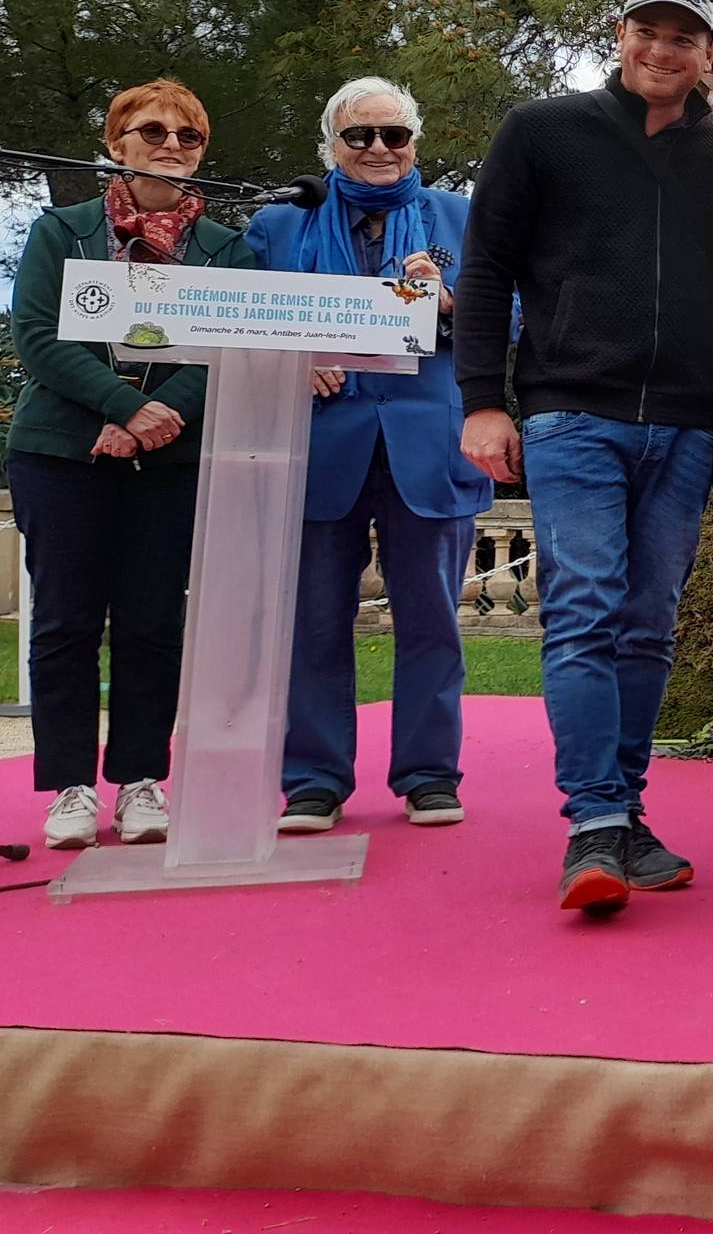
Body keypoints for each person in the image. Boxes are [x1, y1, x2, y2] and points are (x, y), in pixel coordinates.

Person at [454, 0, 713, 915]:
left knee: (649, 621)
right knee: (583, 609)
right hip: (570, 411)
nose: (661, 51)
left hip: (688, 419)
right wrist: (481, 402)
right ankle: (593, 823)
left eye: (682, 38)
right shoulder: (544, 129)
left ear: (709, 55)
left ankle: (624, 813)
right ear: (620, 37)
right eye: (646, 32)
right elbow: (486, 268)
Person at [7, 79, 256, 849]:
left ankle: (141, 780)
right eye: (152, 132)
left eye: (189, 137)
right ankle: (71, 786)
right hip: (62, 452)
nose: (171, 146)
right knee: (66, 621)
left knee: (152, 621)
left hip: (171, 455)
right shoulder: (64, 230)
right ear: (116, 143)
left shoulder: (227, 249)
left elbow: (234, 345)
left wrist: (158, 418)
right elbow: (40, 338)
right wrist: (122, 408)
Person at [247, 78, 490, 834]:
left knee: (432, 622)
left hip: (428, 443)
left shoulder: (462, 217)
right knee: (316, 621)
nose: (379, 150)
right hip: (321, 442)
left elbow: (520, 312)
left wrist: (452, 302)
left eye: (394, 134)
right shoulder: (280, 224)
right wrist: (295, 356)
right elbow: (246, 320)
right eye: (360, 138)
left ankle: (429, 775)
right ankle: (314, 779)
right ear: (331, 147)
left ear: (415, 141)